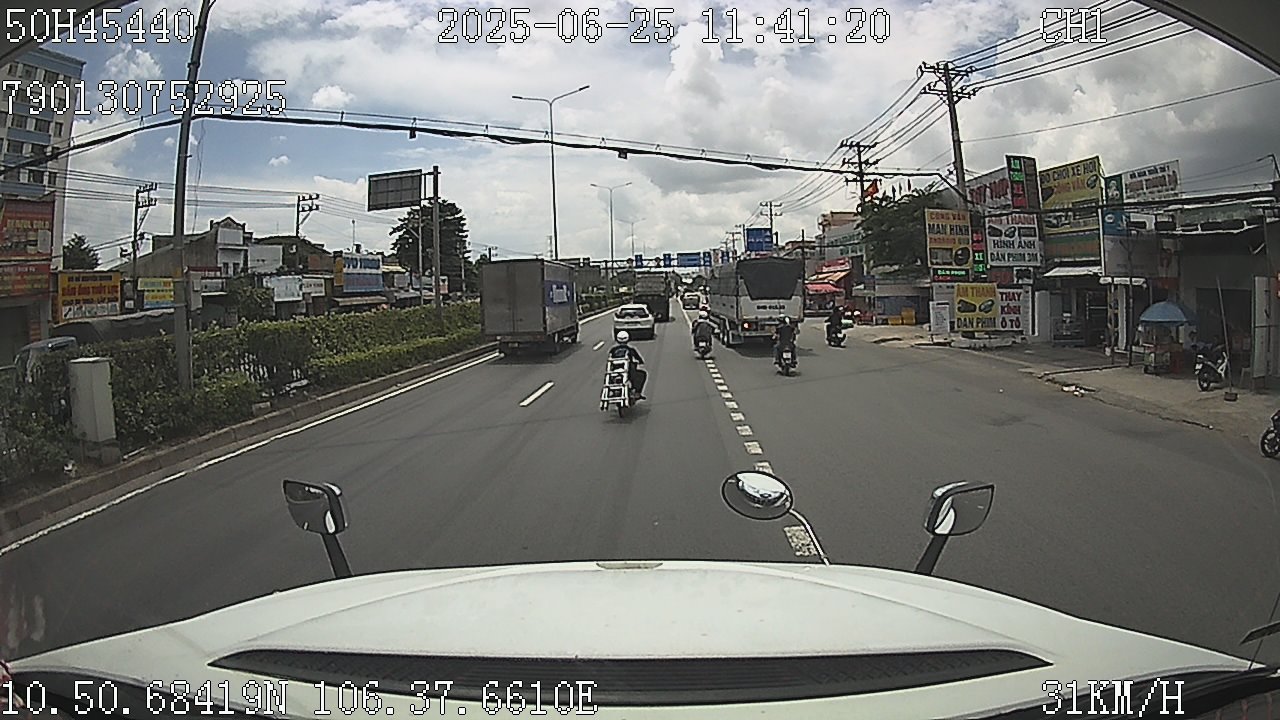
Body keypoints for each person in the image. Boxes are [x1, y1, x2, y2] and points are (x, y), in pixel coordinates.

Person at [608, 330, 647, 399]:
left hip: (615, 371)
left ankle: (612, 391)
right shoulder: (630, 349)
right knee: (642, 374)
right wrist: (640, 361)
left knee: (609, 376)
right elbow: (639, 359)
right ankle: (636, 392)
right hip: (628, 371)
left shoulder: (613, 350)